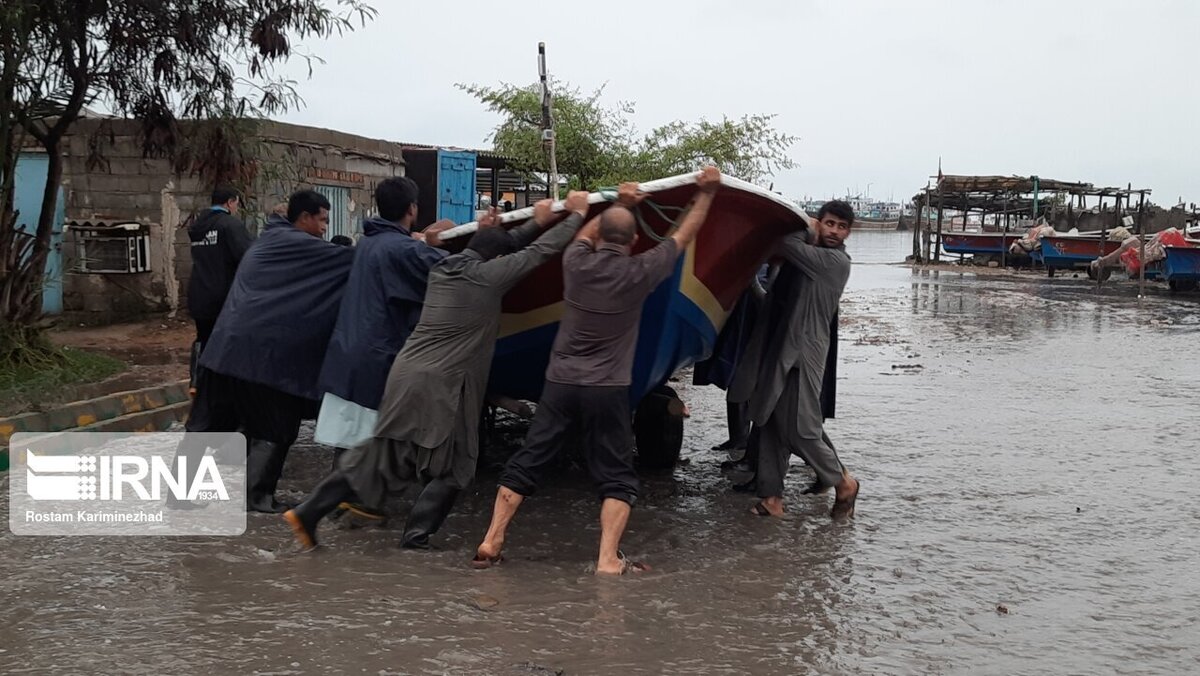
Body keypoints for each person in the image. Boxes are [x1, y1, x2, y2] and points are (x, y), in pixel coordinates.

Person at [283, 191, 591, 550]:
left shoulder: (442, 268)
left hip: (404, 374)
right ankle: (415, 540)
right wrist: (576, 216)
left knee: (381, 456)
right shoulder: (488, 278)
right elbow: (537, 254)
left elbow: (504, 249)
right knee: (458, 466)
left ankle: (307, 513)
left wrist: (532, 224)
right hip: (445, 382)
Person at [473, 167, 722, 576]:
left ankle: (492, 539)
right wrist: (708, 194)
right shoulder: (642, 270)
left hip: (560, 383)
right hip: (609, 388)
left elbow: (586, 235)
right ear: (636, 241)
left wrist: (619, 203)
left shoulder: (575, 261)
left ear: (598, 236)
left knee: (529, 458)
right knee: (617, 476)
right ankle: (608, 560)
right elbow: (683, 236)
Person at [179, 189, 355, 512]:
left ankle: (181, 496)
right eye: (322, 221)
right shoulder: (299, 245)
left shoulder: (267, 241)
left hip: (221, 348)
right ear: (303, 217)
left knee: (204, 425)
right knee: (276, 426)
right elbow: (355, 261)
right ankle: (256, 498)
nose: (323, 230)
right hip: (262, 356)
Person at [728, 200, 859, 520]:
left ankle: (843, 482)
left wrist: (807, 225)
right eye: (829, 223)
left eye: (841, 227)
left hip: (804, 354)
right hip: (781, 350)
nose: (833, 231)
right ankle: (772, 499)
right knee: (769, 420)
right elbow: (770, 303)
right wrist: (746, 279)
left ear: (849, 233)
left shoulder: (833, 262)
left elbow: (784, 242)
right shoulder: (797, 267)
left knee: (802, 429)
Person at [314, 177, 448, 455]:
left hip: (349, 349)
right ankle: (350, 497)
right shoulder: (405, 251)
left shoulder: (368, 243)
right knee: (367, 447)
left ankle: (339, 497)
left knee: (348, 441)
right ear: (412, 209)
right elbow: (458, 270)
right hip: (377, 357)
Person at [186, 185, 252, 394]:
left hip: (198, 292)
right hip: (224, 295)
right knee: (229, 339)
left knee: (203, 337)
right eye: (236, 204)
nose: (236, 209)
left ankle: (197, 381)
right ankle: (226, 387)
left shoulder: (197, 227)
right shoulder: (230, 225)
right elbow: (248, 258)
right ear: (230, 202)